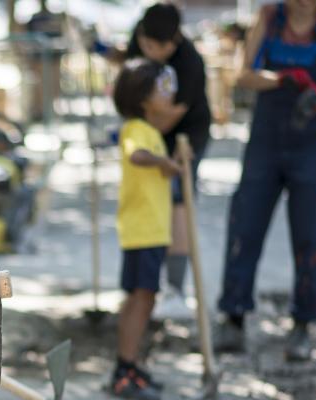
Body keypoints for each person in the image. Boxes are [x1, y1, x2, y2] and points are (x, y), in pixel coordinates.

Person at [215, 0, 316, 362]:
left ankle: (303, 323)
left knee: (312, 232)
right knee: (245, 224)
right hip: (267, 141)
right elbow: (244, 74)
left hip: (314, 141)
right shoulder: (269, 17)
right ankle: (233, 315)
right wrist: (278, 79)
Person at [106, 3, 211, 321]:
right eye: (146, 45)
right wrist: (140, 133)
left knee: (179, 202)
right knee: (152, 199)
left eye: (158, 48)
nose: (150, 52)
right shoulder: (138, 40)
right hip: (148, 129)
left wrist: (152, 143)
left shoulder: (190, 62)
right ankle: (148, 288)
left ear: (174, 41)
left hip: (183, 132)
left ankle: (175, 288)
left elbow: (173, 112)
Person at [110, 60, 180, 400]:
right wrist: (164, 162)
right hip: (143, 230)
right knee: (142, 297)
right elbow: (136, 156)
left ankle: (130, 364)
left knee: (144, 297)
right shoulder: (136, 129)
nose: (168, 95)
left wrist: (170, 164)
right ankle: (124, 370)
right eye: (160, 90)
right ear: (143, 99)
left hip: (151, 230)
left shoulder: (152, 132)